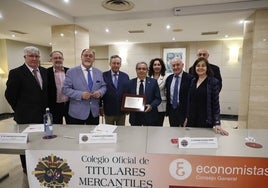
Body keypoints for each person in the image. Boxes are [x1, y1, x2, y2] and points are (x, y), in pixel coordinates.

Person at [5, 46, 47, 174]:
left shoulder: (44, 71)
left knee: (41, 141)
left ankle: (41, 163)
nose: (34, 59)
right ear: (25, 57)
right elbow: (10, 95)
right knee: (26, 143)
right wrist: (19, 109)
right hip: (25, 117)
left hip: (42, 116)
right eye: (31, 56)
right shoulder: (16, 73)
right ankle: (26, 168)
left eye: (36, 56)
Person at [62, 48, 106, 125]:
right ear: (81, 57)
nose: (88, 57)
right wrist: (81, 95)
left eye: (90, 56)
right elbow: (65, 89)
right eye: (85, 55)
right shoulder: (71, 72)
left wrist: (100, 92)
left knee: (92, 135)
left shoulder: (99, 72)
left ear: (94, 59)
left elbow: (104, 87)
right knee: (76, 135)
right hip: (76, 114)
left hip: (94, 113)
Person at [186, 57, 228, 136]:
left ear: (207, 68)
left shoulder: (213, 82)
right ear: (195, 68)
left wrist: (217, 123)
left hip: (205, 118)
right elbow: (190, 101)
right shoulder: (193, 81)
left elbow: (216, 104)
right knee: (191, 141)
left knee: (203, 142)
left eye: (203, 65)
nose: (200, 68)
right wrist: (187, 117)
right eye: (198, 66)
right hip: (192, 118)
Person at [126, 62, 161, 126]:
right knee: (136, 135)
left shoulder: (153, 82)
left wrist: (151, 106)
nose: (141, 70)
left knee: (150, 135)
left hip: (149, 116)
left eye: (144, 69)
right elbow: (127, 98)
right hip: (135, 117)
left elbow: (158, 98)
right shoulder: (130, 83)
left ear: (147, 70)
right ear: (136, 70)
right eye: (139, 69)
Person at [102, 55, 129, 125]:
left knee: (121, 132)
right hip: (108, 110)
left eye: (118, 63)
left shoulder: (125, 76)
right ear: (110, 64)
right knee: (109, 132)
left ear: (120, 64)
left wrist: (128, 108)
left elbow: (127, 92)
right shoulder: (103, 75)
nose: (116, 65)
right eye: (114, 63)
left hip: (121, 111)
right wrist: (100, 106)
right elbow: (100, 91)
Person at [165, 57, 193, 127]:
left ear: (182, 65)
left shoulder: (190, 78)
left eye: (178, 65)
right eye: (173, 65)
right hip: (172, 110)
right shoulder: (169, 78)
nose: (175, 67)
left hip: (184, 110)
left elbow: (192, 97)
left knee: (184, 132)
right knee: (173, 130)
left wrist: (188, 115)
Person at [47, 50, 70, 124]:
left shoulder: (69, 71)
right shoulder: (46, 72)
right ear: (51, 60)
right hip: (54, 106)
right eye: (55, 58)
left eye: (60, 58)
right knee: (57, 128)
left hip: (69, 105)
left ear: (63, 59)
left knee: (72, 127)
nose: (58, 60)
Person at [148, 58, 169, 126]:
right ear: (152, 66)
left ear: (161, 66)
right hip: (150, 105)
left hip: (161, 105)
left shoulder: (166, 77)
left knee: (159, 125)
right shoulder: (148, 77)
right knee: (150, 125)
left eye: (158, 65)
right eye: (155, 65)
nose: (156, 66)